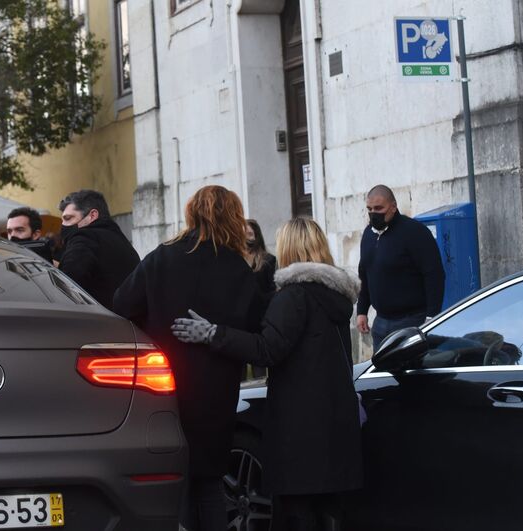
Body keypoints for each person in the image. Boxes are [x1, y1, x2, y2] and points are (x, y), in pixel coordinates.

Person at [171, 217, 363, 531]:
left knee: (298, 511)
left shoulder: (294, 296)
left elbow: (266, 350)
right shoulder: (336, 296)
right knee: (329, 509)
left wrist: (213, 334)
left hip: (301, 427)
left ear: (289, 248)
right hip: (334, 422)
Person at [112, 185, 265, 531]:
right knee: (209, 483)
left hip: (164, 382)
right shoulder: (236, 268)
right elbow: (256, 326)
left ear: (191, 214)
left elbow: (121, 305)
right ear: (232, 217)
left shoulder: (162, 257)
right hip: (217, 386)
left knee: (172, 478)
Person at [356, 185, 445, 351]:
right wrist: (362, 310)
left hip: (411, 321)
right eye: (369, 209)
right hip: (381, 323)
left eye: (379, 208)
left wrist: (431, 317)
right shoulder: (368, 234)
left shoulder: (414, 232)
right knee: (382, 375)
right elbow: (365, 274)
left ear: (393, 207)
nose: (373, 213)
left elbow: (434, 275)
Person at [56, 190, 140, 311]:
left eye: (68, 218)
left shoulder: (84, 238)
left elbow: (65, 285)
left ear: (92, 215)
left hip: (97, 323)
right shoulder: (120, 240)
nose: (64, 225)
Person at [246, 218, 277, 295]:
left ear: (257, 237)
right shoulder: (236, 261)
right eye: (242, 235)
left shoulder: (269, 260)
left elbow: (273, 291)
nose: (245, 238)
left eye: (250, 234)